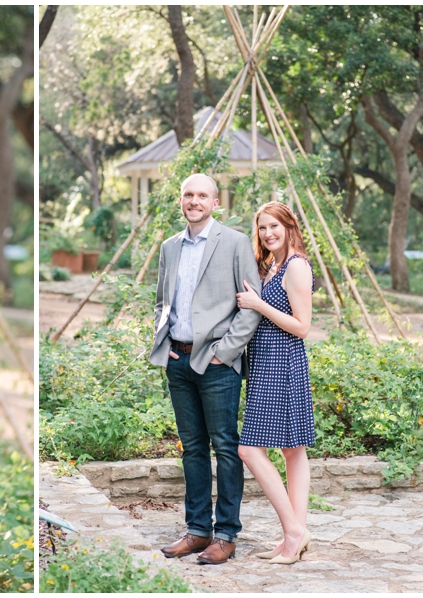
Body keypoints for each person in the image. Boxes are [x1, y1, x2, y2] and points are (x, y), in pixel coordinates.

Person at [151, 173, 262, 565]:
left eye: (202, 195)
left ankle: (226, 534)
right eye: (188, 195)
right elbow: (162, 301)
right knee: (193, 448)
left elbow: (251, 306)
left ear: (216, 202)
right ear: (180, 200)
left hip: (217, 363)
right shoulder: (169, 247)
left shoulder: (234, 243)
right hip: (178, 361)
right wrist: (165, 345)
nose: (194, 201)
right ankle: (198, 531)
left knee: (226, 448)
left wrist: (223, 353)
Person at [236, 201, 315, 565]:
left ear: (289, 227)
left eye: (274, 227)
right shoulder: (274, 265)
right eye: (263, 228)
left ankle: (294, 532)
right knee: (292, 451)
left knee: (249, 450)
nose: (268, 233)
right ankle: (293, 537)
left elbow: (302, 326)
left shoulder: (296, 266)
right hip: (267, 360)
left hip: (282, 362)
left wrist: (257, 304)